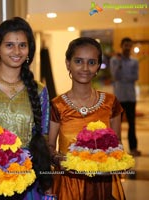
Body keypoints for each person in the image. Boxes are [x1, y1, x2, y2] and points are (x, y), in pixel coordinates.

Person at [0, 16, 53, 199]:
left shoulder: (39, 90)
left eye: (22, 45)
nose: (17, 51)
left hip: (29, 179)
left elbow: (43, 137)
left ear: (29, 49)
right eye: (9, 45)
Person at [48, 37, 126, 199]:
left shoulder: (111, 103)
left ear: (98, 66)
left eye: (91, 62)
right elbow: (49, 145)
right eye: (78, 61)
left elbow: (117, 142)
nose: (85, 68)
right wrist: (58, 158)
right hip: (68, 184)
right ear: (68, 63)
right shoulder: (57, 105)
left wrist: (117, 158)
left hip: (102, 183)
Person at [110, 37, 140, 157]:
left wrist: (124, 77)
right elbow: (115, 76)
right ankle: (115, 149)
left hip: (131, 97)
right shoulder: (114, 60)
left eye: (129, 45)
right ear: (121, 46)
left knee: (132, 124)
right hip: (119, 97)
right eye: (125, 45)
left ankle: (133, 148)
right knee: (116, 124)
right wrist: (121, 62)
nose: (127, 48)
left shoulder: (134, 62)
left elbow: (135, 77)